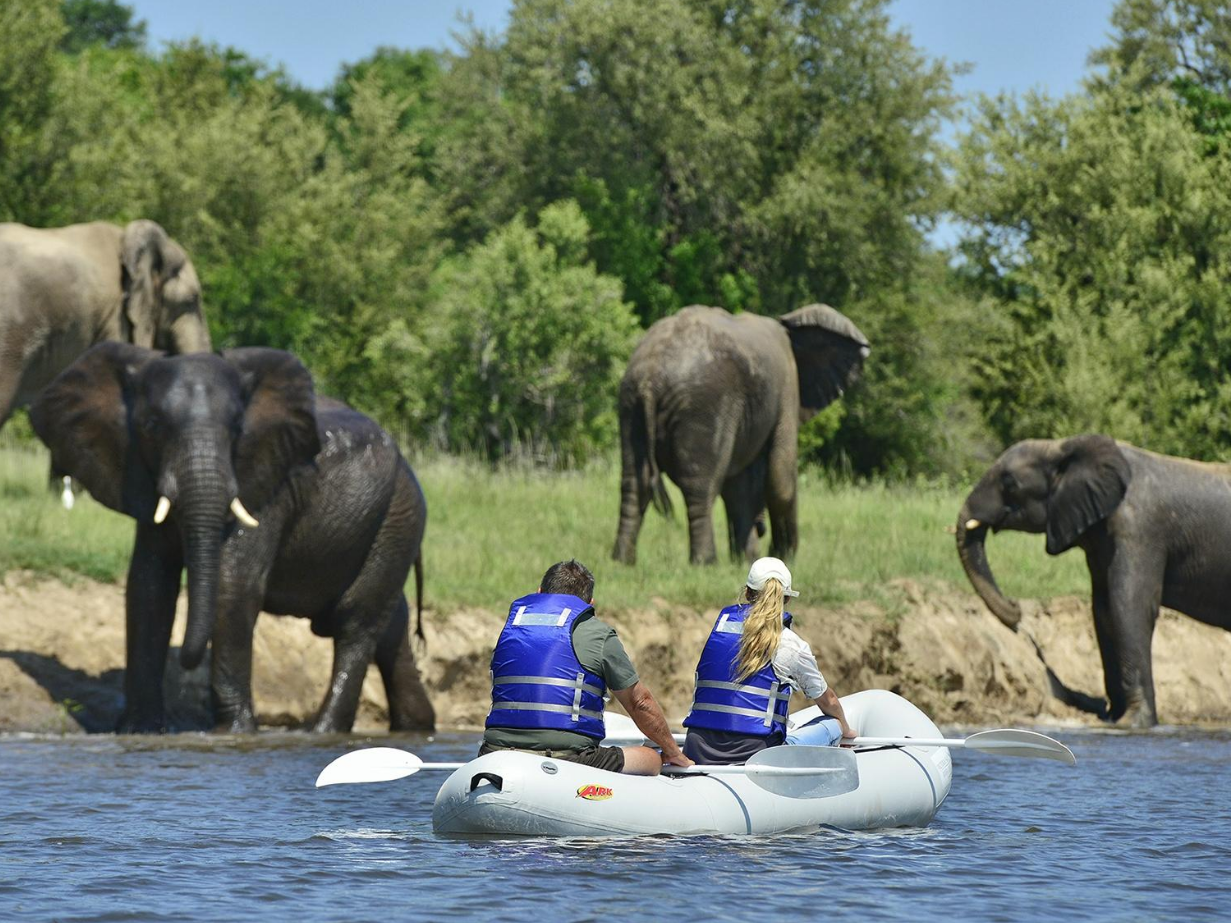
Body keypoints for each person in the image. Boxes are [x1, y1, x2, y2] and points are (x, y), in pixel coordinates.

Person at [481, 559, 693, 775]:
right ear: (590, 603)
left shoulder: (509, 629)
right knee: (650, 757)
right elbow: (640, 702)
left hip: (494, 753)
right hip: (568, 759)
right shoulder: (598, 634)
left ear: (539, 592)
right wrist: (672, 751)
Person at [682, 556, 856, 765]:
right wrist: (845, 730)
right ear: (788, 599)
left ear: (747, 592)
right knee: (833, 724)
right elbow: (829, 701)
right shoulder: (791, 644)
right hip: (755, 757)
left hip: (697, 749)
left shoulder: (720, 629)